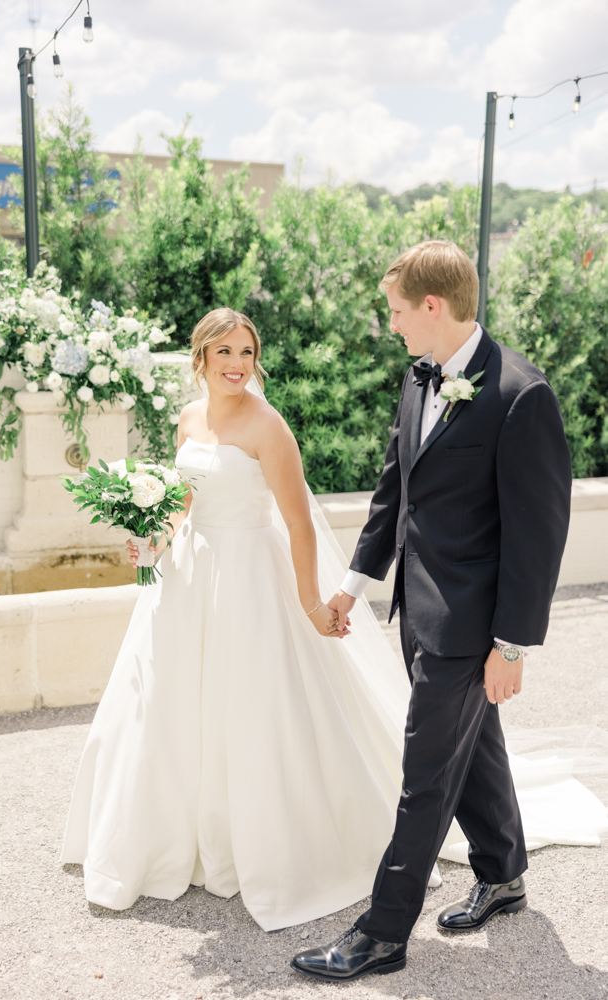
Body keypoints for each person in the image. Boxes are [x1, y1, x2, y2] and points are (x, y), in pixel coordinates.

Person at [61, 301, 606, 936]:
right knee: (172, 704)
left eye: (246, 351)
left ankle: (379, 884)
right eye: (225, 352)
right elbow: (184, 503)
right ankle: (180, 838)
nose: (238, 364)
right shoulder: (188, 419)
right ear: (201, 358)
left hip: (250, 583)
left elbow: (296, 525)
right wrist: (151, 544)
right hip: (187, 580)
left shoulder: (269, 428)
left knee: (260, 713)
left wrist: (313, 602)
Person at [290, 239, 577, 981]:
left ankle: (382, 933)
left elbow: (537, 536)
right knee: (472, 750)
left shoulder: (520, 394)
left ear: (431, 305)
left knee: (423, 774)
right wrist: (352, 585)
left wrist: (510, 646)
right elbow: (396, 494)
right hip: (415, 613)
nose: (390, 326)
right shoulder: (421, 378)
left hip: (472, 625)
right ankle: (502, 872)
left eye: (394, 312)